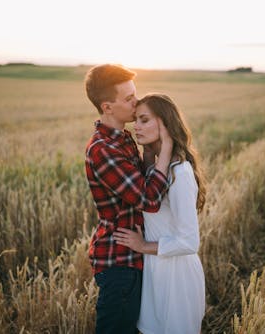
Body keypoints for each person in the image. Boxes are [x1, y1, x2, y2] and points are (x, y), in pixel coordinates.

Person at [84, 64, 174, 334]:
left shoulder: (123, 139)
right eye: (128, 99)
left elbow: (142, 184)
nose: (136, 103)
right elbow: (148, 199)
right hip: (118, 261)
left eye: (134, 94)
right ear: (107, 107)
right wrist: (166, 148)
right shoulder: (103, 149)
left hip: (133, 256)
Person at [113, 93, 207, 334]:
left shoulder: (180, 173)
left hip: (176, 277)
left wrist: (142, 246)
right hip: (155, 270)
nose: (136, 126)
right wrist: (148, 157)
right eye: (136, 120)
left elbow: (189, 241)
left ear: (164, 123)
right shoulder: (158, 168)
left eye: (144, 120)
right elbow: (150, 197)